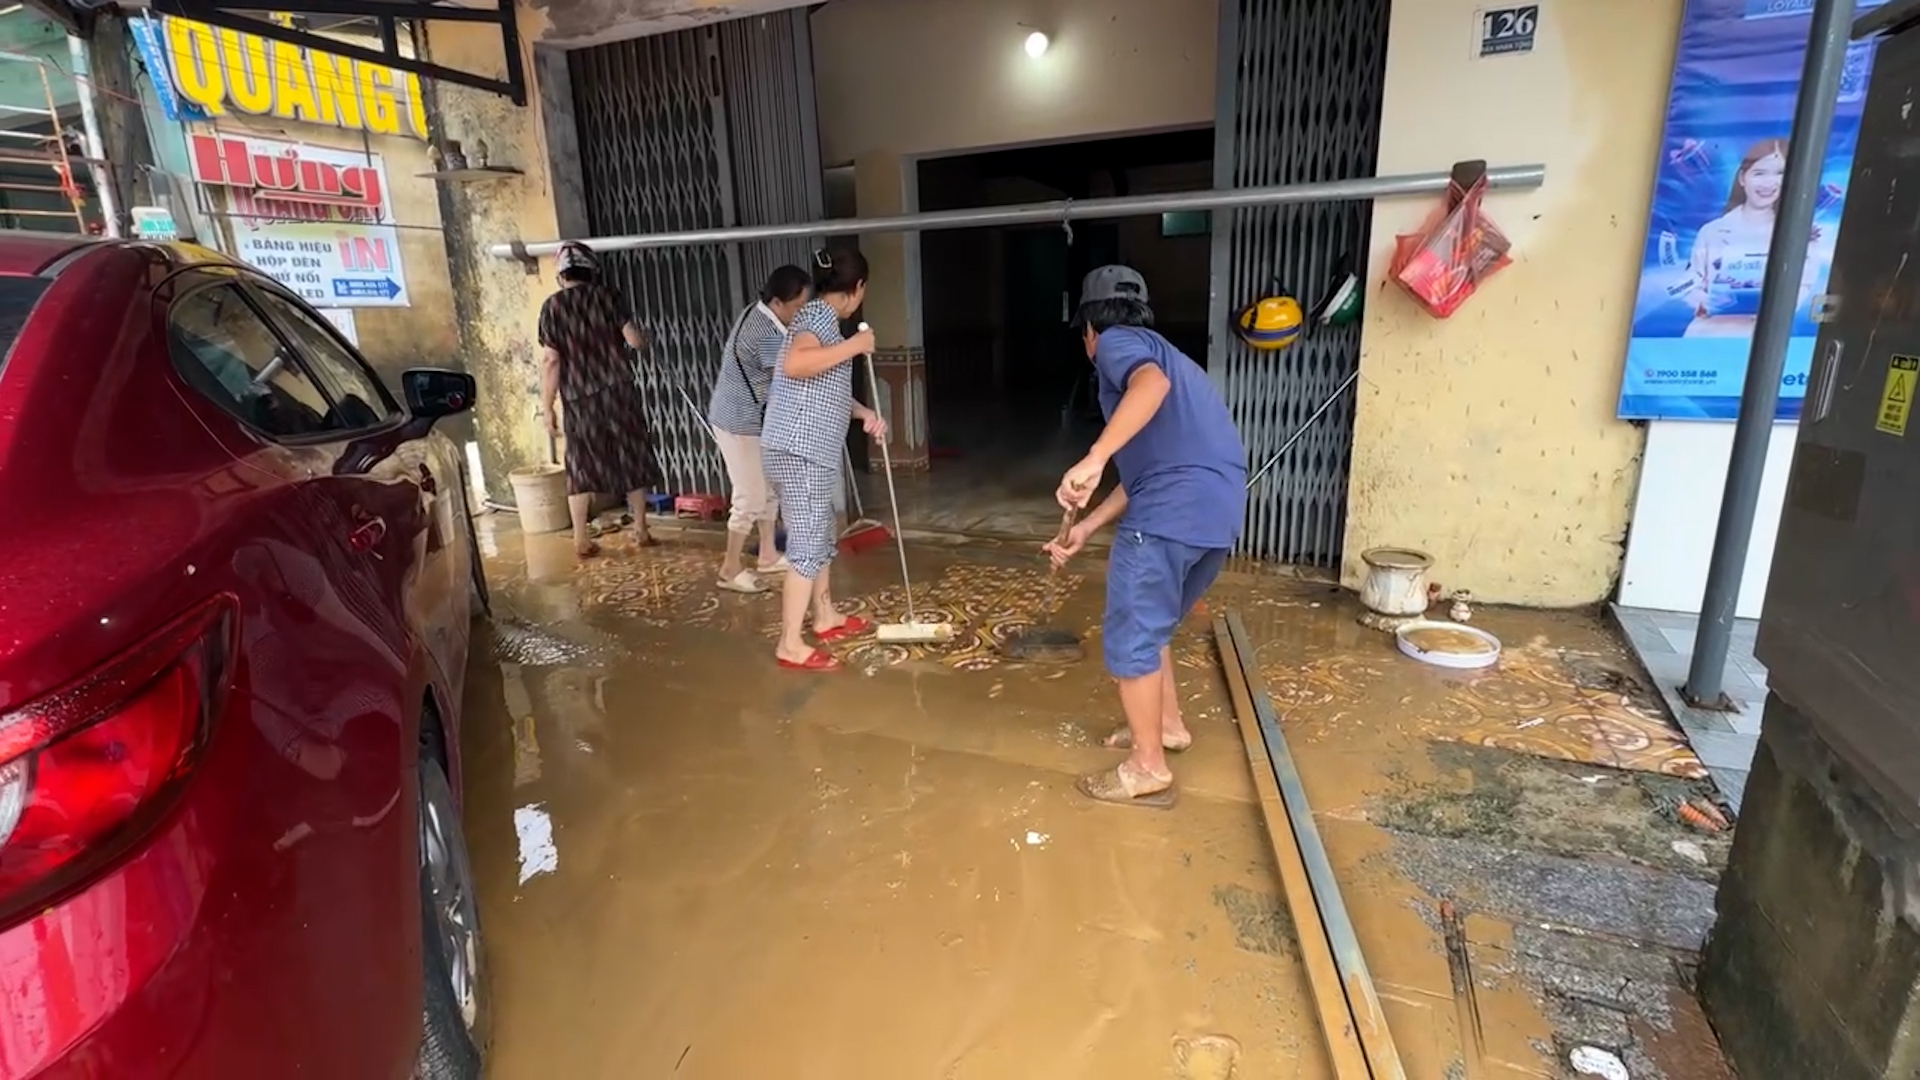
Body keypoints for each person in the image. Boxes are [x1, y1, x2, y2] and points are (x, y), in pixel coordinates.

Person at [1044, 265, 1247, 808]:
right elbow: (1149, 475)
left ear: (1088, 327)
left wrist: (1094, 455)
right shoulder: (1170, 356)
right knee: (1152, 629)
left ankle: (1145, 767)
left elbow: (1147, 388)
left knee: (1132, 637)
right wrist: (1086, 525)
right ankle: (1169, 728)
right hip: (1215, 515)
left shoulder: (1117, 344)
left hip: (1172, 513)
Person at [760, 248, 888, 672]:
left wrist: (864, 413)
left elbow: (822, 384)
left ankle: (826, 615)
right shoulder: (817, 320)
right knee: (806, 546)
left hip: (801, 449)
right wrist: (856, 345)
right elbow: (798, 365)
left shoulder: (822, 322)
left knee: (817, 534)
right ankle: (789, 643)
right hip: (799, 451)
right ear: (858, 289)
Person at [538, 241, 665, 558]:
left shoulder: (552, 308)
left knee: (580, 465)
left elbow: (551, 361)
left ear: (561, 275)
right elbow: (634, 341)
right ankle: (641, 529)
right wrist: (644, 339)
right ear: (591, 269)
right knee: (631, 456)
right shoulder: (608, 296)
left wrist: (547, 406)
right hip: (618, 393)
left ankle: (581, 538)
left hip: (580, 400)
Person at [707, 265, 812, 593]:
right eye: (797, 307)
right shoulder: (762, 332)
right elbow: (790, 376)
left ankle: (767, 554)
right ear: (779, 302)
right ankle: (729, 568)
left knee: (767, 488)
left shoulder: (763, 314)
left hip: (755, 419)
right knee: (750, 496)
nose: (799, 314)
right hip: (738, 422)